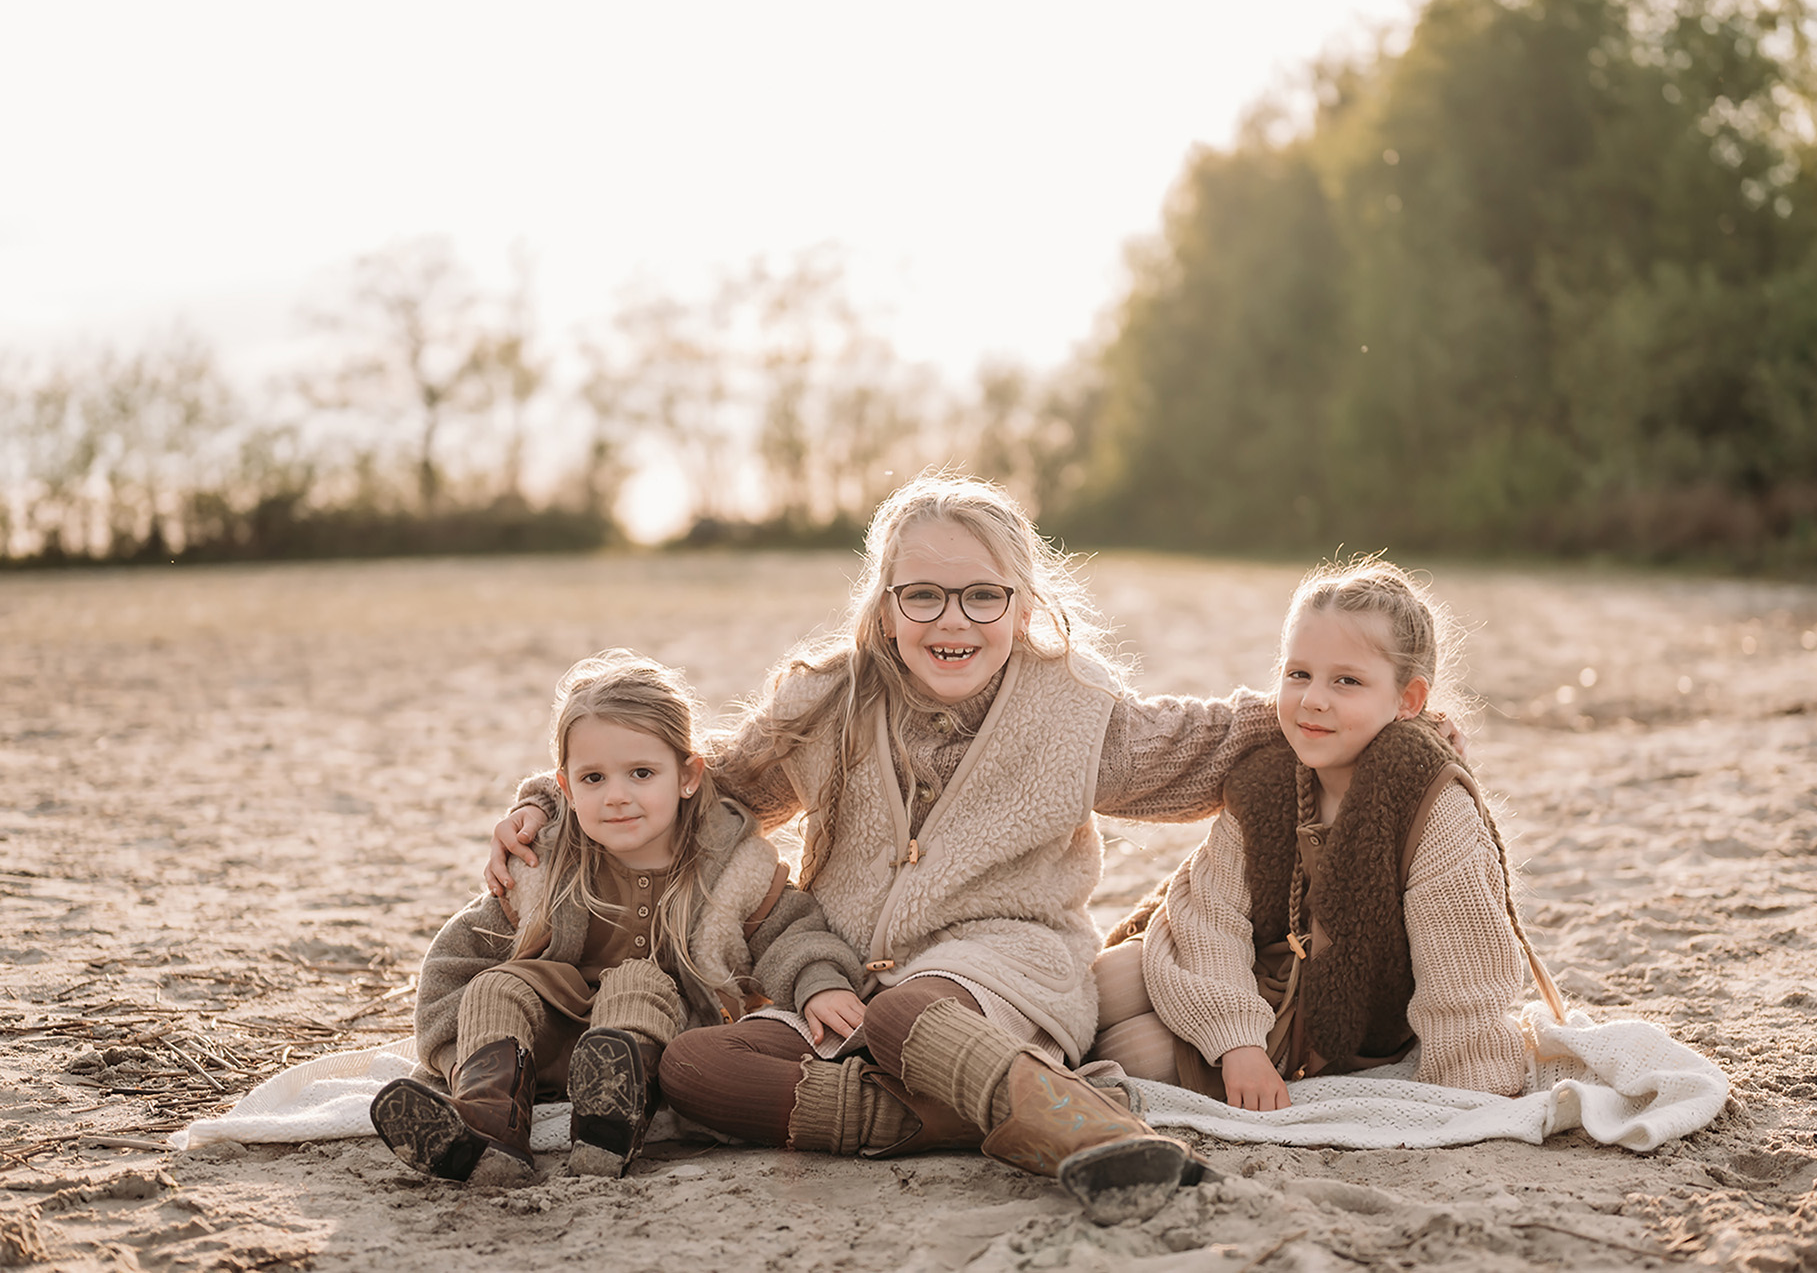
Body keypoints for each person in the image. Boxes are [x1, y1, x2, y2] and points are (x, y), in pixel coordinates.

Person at [484, 474, 1283, 1223]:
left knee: (908, 1011)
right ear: (887, 604)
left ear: (1023, 602)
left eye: (982, 596)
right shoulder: (829, 700)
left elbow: (1207, 741)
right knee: (692, 1066)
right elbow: (701, 782)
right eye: (924, 596)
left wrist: (1325, 706)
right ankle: (953, 1115)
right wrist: (550, 800)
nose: (953, 620)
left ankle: (1095, 1135)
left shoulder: (1077, 710)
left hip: (1008, 972)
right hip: (838, 982)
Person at [371, 650, 860, 1185]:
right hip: (544, 1046)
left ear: (688, 775)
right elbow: (460, 953)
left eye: (642, 773)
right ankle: (488, 1122)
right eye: (594, 778)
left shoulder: (728, 866)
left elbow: (789, 930)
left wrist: (819, 983)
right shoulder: (544, 863)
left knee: (636, 978)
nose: (618, 797)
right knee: (498, 983)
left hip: (657, 1040)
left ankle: (608, 1121)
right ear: (566, 788)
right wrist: (453, 1048)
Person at [1091, 555, 1564, 1109]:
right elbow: (1211, 915)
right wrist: (1236, 1041)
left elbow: (1463, 963)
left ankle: (1046, 1080)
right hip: (1252, 973)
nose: (1314, 698)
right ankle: (1004, 1056)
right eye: (1299, 674)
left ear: (1408, 700)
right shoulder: (1267, 780)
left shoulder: (1431, 805)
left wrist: (1473, 1081)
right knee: (1107, 982)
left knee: (1132, 1053)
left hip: (1333, 1018)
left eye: (1347, 680)